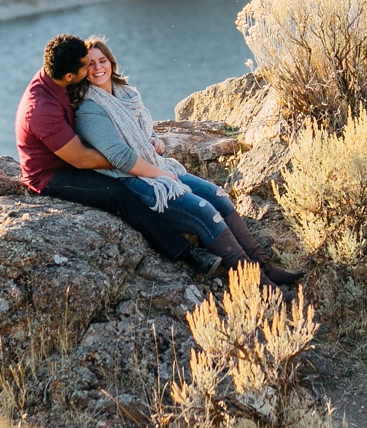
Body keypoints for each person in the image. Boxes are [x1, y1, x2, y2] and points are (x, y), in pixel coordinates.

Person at [72, 36, 306, 289]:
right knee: (204, 211)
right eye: (90, 64)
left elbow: (140, 132)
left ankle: (265, 266)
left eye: (102, 60)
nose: (98, 68)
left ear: (111, 62)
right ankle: (260, 286)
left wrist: (153, 140)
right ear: (81, 71)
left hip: (156, 166)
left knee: (218, 195)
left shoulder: (124, 94)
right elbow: (119, 156)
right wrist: (159, 174)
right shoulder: (89, 109)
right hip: (132, 179)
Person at [15, 34, 222, 276]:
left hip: (73, 155)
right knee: (116, 194)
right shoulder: (41, 109)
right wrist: (129, 158)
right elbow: (81, 159)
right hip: (53, 173)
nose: (94, 66)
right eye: (87, 65)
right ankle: (187, 254)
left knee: (129, 174)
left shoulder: (58, 70)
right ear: (70, 77)